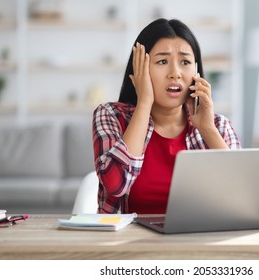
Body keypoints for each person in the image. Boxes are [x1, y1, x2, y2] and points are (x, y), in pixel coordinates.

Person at [92, 18, 241, 214]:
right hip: (127, 243)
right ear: (139, 69)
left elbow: (240, 198)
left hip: (199, 240)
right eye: (162, 61)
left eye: (185, 62)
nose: (175, 73)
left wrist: (207, 129)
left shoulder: (219, 126)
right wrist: (144, 102)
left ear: (196, 72)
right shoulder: (110, 115)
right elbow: (115, 185)